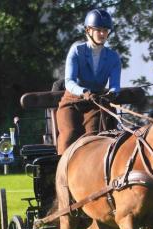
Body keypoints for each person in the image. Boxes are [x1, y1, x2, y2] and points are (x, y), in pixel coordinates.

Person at [56, 9, 121, 155]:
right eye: (99, 30)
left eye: (105, 30)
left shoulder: (113, 57)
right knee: (70, 134)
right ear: (88, 30)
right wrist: (84, 92)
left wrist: (111, 94)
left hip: (96, 103)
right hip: (72, 102)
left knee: (94, 136)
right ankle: (61, 171)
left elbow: (115, 85)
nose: (103, 34)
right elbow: (69, 82)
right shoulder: (76, 50)